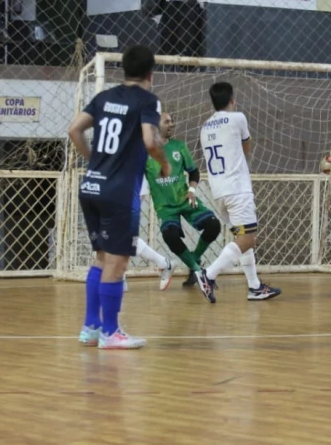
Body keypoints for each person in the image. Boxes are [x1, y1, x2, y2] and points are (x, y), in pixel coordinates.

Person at [68, 44, 172, 350]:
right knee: (118, 262)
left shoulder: (104, 97)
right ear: (151, 73)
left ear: (123, 69)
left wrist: (94, 162)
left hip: (92, 186)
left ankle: (91, 327)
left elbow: (74, 130)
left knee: (101, 258)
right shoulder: (147, 100)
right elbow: (150, 141)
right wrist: (164, 163)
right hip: (118, 191)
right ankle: (111, 332)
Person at [195, 82, 281, 302]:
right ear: (232, 99)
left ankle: (254, 287)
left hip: (219, 191)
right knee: (248, 239)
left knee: (243, 237)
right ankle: (208, 275)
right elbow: (246, 148)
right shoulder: (238, 118)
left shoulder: (205, 126)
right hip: (237, 188)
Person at [140, 111, 222, 290]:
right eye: (167, 121)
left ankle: (194, 262)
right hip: (165, 207)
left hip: (185, 200)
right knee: (170, 236)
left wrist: (192, 190)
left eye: (172, 121)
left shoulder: (179, 146)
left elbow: (193, 171)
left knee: (214, 225)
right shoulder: (144, 152)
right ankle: (198, 270)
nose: (172, 124)